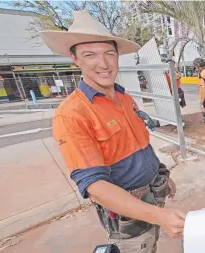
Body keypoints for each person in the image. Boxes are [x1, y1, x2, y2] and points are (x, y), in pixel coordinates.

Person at [40, 11, 185, 253]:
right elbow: (95, 186)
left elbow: (142, 146)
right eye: (90, 55)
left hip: (153, 195)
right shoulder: (73, 114)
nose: (104, 63)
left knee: (152, 245)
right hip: (127, 215)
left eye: (109, 53)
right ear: (74, 59)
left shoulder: (124, 97)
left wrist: (162, 175)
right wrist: (158, 216)